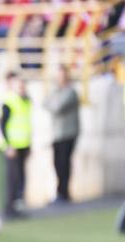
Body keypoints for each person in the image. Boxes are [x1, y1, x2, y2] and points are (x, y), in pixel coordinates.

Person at [44, 65, 79, 203]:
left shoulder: (71, 92)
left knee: (64, 163)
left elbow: (57, 107)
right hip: (57, 134)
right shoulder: (55, 91)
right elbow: (45, 102)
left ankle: (64, 193)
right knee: (57, 164)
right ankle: (60, 192)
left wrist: (53, 103)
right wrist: (53, 103)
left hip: (68, 133)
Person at [0, 71, 32, 218]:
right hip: (12, 145)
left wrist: (30, 144)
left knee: (20, 178)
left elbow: (27, 124)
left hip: (24, 144)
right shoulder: (9, 101)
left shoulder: (26, 101)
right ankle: (9, 208)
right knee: (12, 178)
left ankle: (18, 207)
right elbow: (2, 124)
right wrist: (8, 145)